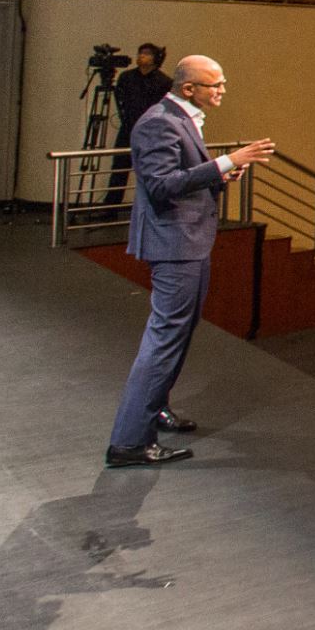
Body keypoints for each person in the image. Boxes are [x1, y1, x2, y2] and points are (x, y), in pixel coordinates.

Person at [105, 55, 274, 466]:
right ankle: (128, 442)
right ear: (188, 89)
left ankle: (154, 408)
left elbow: (182, 177)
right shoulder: (158, 122)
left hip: (187, 241)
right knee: (164, 338)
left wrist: (218, 175)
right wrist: (227, 162)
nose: (221, 90)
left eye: (222, 82)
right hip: (173, 244)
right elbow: (161, 186)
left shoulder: (179, 119)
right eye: (214, 84)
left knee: (177, 334)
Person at [107, 43, 173, 204]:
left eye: (146, 54)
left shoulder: (164, 81)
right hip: (128, 128)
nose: (141, 56)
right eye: (140, 53)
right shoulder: (127, 77)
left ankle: (150, 207)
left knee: (150, 170)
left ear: (155, 58)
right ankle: (110, 207)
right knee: (119, 168)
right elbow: (120, 101)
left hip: (152, 131)